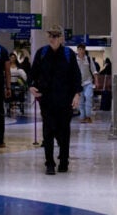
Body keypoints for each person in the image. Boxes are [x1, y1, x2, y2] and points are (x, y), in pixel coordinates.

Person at [29, 25, 82, 175]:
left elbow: (76, 76)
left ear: (61, 38)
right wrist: (31, 86)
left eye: (55, 36)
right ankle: (49, 163)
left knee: (64, 131)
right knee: (48, 131)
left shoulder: (68, 54)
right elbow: (33, 73)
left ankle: (64, 161)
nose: (52, 39)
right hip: (46, 99)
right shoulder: (42, 53)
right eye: (50, 36)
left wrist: (77, 94)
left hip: (65, 100)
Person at [75, 43, 97, 124]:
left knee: (88, 97)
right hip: (78, 83)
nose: (81, 51)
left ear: (84, 50)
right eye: (79, 49)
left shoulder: (88, 59)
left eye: (82, 49)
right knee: (80, 101)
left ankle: (88, 116)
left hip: (88, 82)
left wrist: (96, 81)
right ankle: (82, 117)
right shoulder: (74, 60)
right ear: (77, 50)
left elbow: (94, 71)